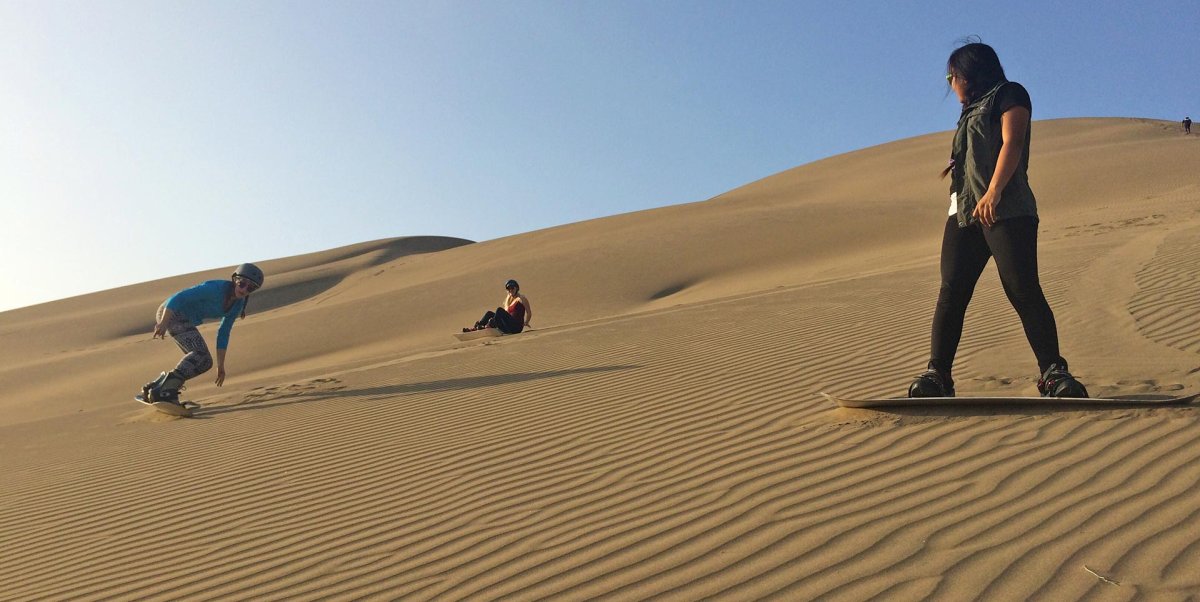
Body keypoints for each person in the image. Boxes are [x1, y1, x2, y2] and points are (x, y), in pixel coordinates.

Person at [910, 42, 1087, 398]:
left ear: (968, 73)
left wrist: (993, 191)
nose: (951, 85)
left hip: (1007, 209)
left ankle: (1053, 374)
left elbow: (1013, 142)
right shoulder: (968, 111)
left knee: (1022, 287)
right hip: (964, 214)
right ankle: (938, 375)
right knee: (952, 292)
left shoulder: (1008, 94)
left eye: (951, 76)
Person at [140, 263, 265, 405]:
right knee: (200, 354)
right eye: (242, 283)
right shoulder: (215, 289)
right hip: (171, 312)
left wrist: (221, 365)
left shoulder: (237, 305)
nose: (245, 289)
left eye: (251, 287)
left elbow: (224, 332)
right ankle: (165, 392)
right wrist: (163, 322)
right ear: (235, 280)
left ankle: (154, 388)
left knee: (203, 362)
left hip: (181, 318)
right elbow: (179, 297)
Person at [464, 279, 532, 334]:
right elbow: (506, 315)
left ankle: (489, 326)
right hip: (509, 325)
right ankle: (475, 328)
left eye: (512, 288)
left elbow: (529, 312)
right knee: (489, 313)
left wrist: (526, 322)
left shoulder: (522, 298)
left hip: (516, 328)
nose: (510, 290)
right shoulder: (509, 300)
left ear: (516, 288)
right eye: (508, 289)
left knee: (499, 310)